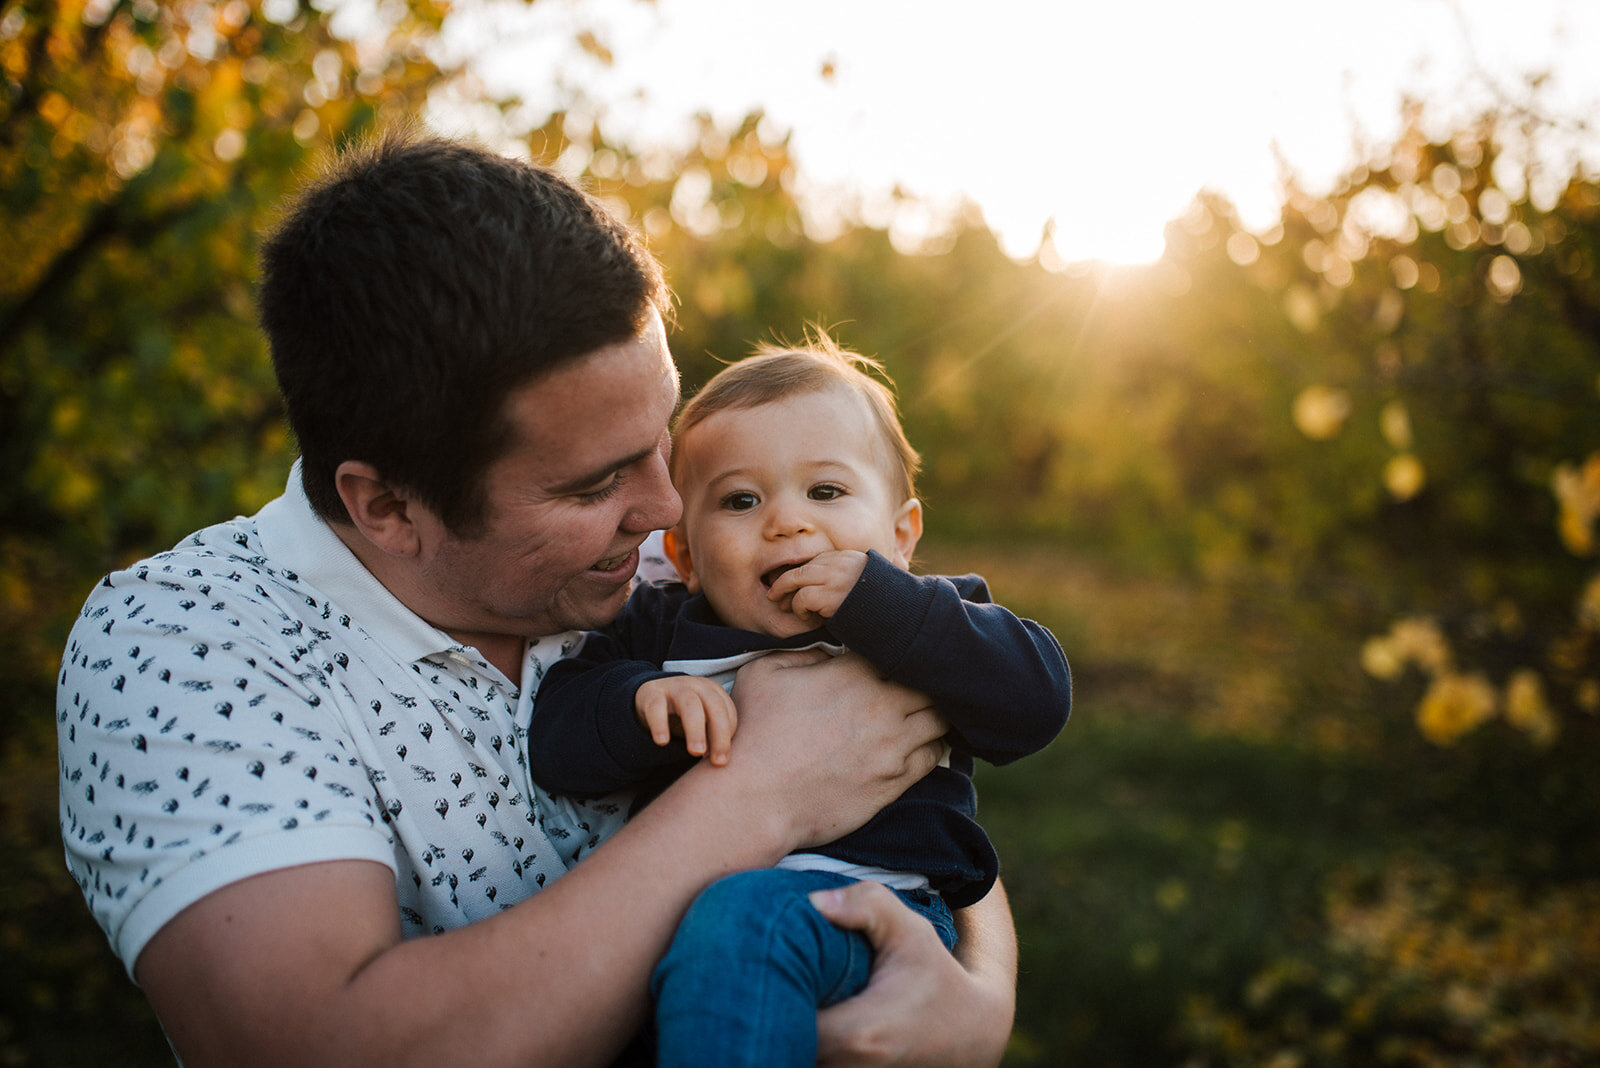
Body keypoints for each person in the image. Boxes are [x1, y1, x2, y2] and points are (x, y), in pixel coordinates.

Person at [55, 128, 1021, 1066]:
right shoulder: (184, 644)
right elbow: (326, 1045)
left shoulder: (683, 557)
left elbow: (902, 751)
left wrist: (977, 996)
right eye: (593, 484)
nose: (662, 506)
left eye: (663, 440)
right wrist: (758, 795)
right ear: (388, 504)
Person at [529, 339, 1072, 1066]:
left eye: (825, 492)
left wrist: (885, 606)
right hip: (673, 920)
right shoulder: (658, 625)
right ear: (685, 557)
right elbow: (557, 733)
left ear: (903, 534)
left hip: (867, 911)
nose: (786, 522)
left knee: (743, 927)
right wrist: (638, 701)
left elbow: (1035, 704)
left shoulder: (930, 621)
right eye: (741, 500)